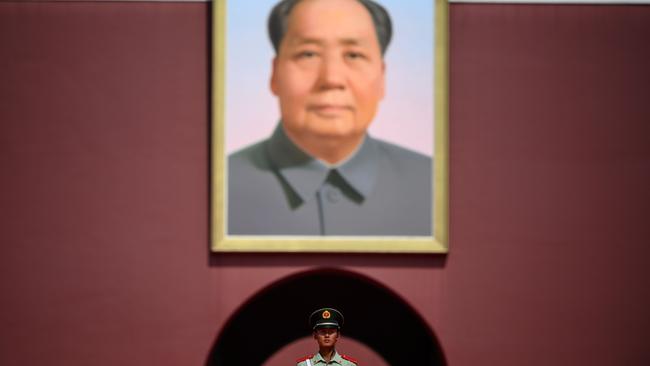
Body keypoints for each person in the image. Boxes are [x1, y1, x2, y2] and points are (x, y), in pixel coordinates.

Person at [228, 0, 432, 236]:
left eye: (354, 55)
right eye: (308, 54)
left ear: (382, 77)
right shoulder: (215, 189)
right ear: (274, 75)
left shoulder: (437, 189)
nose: (332, 78)